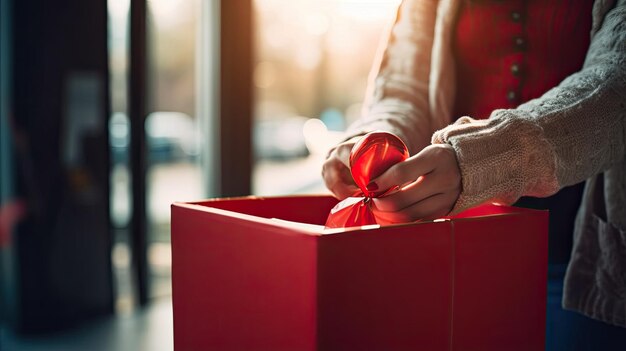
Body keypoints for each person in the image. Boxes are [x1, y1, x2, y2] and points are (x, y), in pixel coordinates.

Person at [322, 0, 626, 349]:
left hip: (582, 260)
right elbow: (404, 89)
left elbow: (616, 85)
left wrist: (476, 159)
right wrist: (371, 141)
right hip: (455, 253)